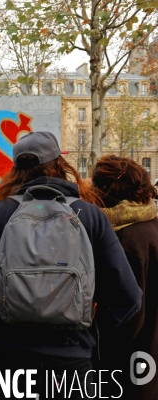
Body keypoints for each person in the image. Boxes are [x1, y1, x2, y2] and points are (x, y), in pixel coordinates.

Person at [0, 131, 142, 399]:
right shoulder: (89, 215)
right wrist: (90, 324)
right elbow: (130, 297)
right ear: (59, 164)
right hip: (72, 362)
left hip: (9, 359)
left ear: (15, 169)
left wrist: (1, 305)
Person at [90, 155, 158, 399]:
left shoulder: (126, 239)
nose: (91, 192)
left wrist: (98, 350)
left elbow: (130, 311)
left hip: (129, 361)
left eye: (95, 186)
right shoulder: (150, 224)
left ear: (108, 190)